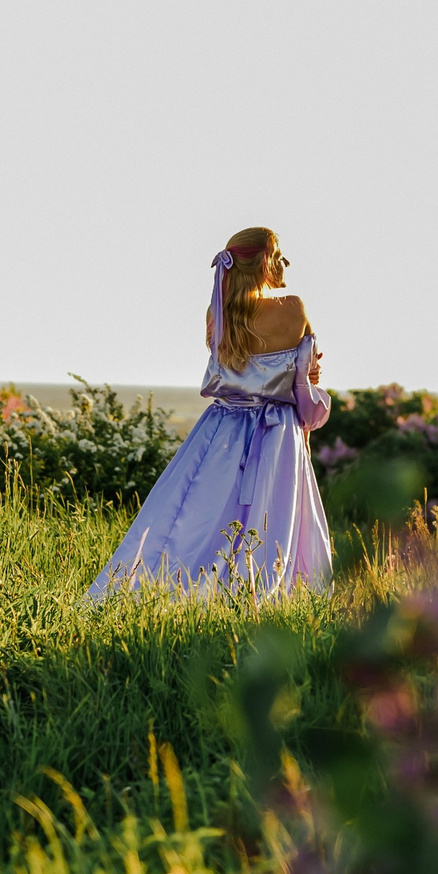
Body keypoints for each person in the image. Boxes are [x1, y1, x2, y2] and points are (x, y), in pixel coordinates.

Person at [85, 227, 333, 600]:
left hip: (222, 430)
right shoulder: (293, 309)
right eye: (279, 254)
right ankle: (261, 596)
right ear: (265, 261)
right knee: (272, 519)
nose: (285, 263)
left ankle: (165, 589)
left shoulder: (217, 315)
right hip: (277, 434)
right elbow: (304, 388)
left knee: (197, 515)